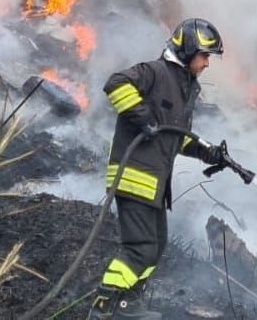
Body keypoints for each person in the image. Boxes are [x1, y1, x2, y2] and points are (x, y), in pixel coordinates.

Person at [88, 18, 241, 320]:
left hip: (155, 184)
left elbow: (176, 138)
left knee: (156, 247)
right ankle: (105, 306)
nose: (207, 63)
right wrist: (143, 117)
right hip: (134, 178)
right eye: (205, 55)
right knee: (140, 249)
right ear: (186, 51)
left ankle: (128, 304)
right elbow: (115, 83)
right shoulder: (155, 72)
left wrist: (210, 154)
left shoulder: (186, 89)